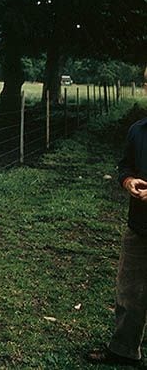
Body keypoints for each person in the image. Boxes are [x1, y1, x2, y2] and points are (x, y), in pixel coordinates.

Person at [87, 116, 147, 367]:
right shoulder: (138, 130)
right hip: (139, 227)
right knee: (129, 291)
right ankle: (123, 349)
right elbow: (125, 166)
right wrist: (128, 181)